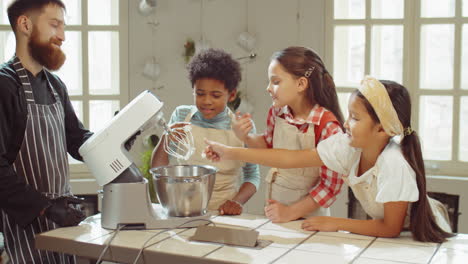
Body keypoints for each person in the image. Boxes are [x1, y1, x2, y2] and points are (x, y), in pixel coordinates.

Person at [204, 76, 453, 242]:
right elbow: (290, 158)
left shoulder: (394, 163)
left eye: (355, 118)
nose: (346, 123)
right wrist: (230, 151)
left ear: (382, 129)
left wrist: (334, 222)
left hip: (423, 235)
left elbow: (390, 228)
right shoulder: (349, 146)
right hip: (396, 235)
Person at [0, 0, 92, 262]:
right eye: (54, 25)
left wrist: (112, 141)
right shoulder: (4, 86)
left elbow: (76, 140)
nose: (62, 36)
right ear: (25, 24)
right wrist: (44, 208)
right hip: (26, 225)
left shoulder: (55, 85)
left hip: (61, 221)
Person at [230, 46, 345, 222]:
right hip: (275, 211)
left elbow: (330, 186)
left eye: (275, 82)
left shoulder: (328, 127)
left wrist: (290, 212)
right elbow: (268, 145)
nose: (268, 88)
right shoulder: (277, 113)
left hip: (309, 219)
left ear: (301, 84)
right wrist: (245, 137)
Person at [151, 48, 260, 215]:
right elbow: (158, 168)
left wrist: (236, 202)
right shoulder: (181, 115)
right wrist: (166, 137)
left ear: (231, 95)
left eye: (215, 95)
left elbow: (253, 177)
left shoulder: (243, 127)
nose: (206, 101)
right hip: (183, 209)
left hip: (224, 213)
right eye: (200, 94)